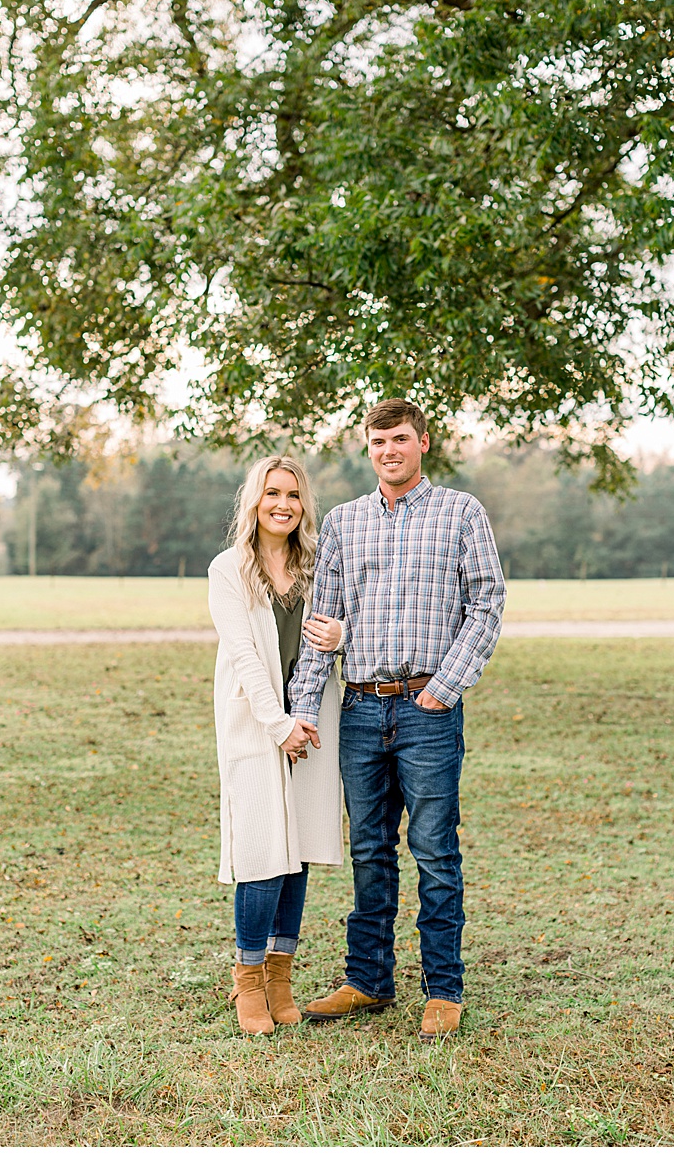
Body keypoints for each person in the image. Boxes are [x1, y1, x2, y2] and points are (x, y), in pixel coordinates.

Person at [287, 399, 505, 1042]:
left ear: (422, 443)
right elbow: (320, 631)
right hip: (359, 708)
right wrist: (302, 711)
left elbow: (487, 605)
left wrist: (443, 689)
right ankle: (369, 980)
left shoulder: (461, 513)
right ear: (368, 448)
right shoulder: (344, 525)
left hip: (426, 708)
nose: (389, 450)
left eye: (401, 439)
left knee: (435, 850)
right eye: (378, 441)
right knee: (369, 851)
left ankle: (444, 988)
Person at [207, 456, 346, 1034]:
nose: (283, 504)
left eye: (293, 494)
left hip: (313, 722)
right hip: (256, 723)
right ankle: (247, 984)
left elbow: (345, 627)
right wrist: (277, 723)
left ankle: (281, 977)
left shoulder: (318, 566)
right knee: (263, 852)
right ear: (254, 501)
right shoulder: (228, 570)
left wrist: (343, 634)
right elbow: (243, 654)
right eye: (272, 494)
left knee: (300, 850)